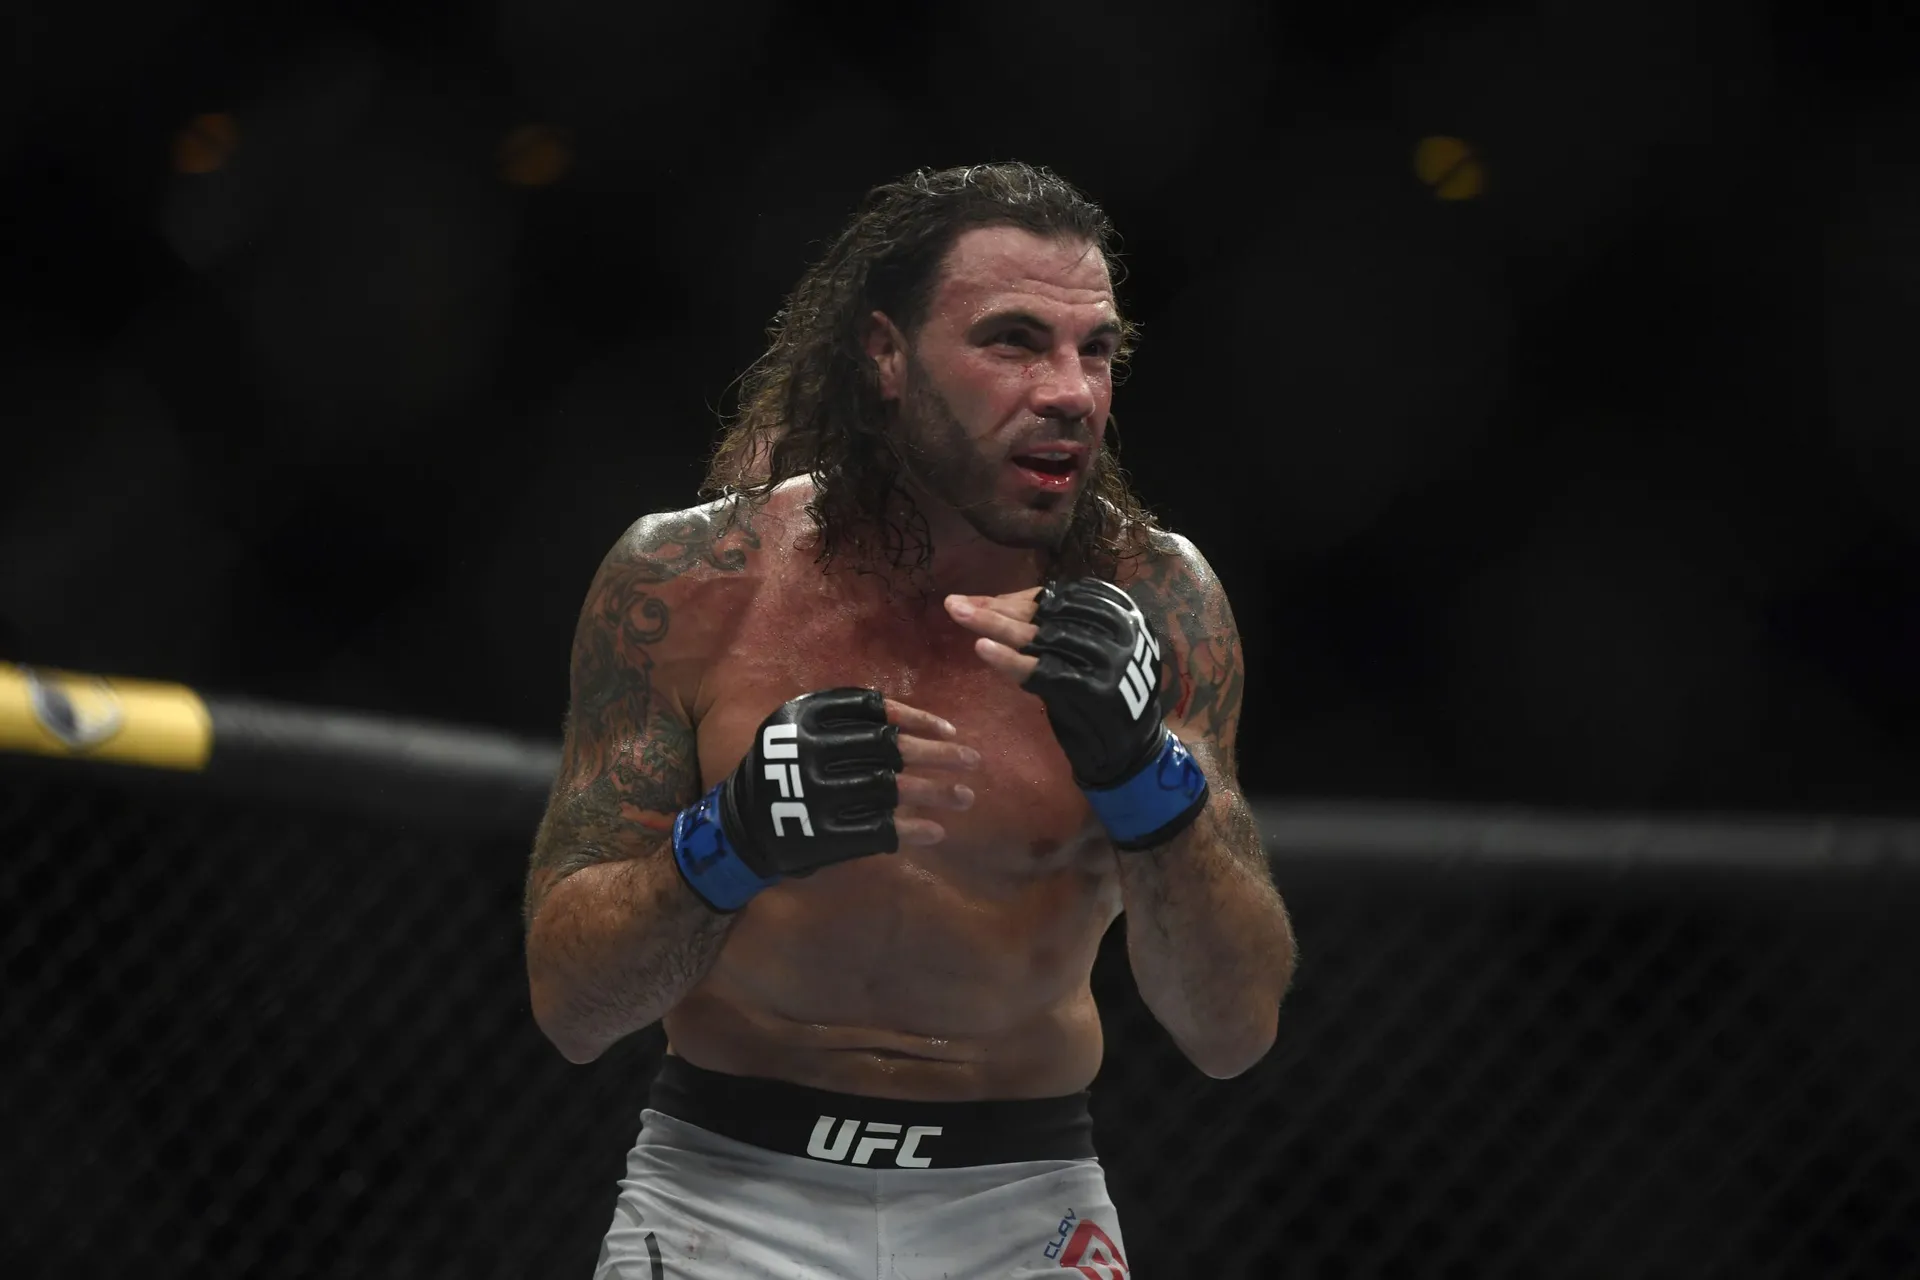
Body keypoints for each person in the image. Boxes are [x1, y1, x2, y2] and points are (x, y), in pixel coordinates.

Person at [523, 161, 1297, 1279]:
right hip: (723, 1195)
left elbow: (1235, 1029)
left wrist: (1148, 778)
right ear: (885, 356)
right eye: (1014, 341)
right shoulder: (692, 582)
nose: (1072, 391)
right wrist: (729, 841)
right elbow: (573, 1006)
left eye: (1096, 351)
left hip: (1020, 1206)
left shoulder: (1161, 602)